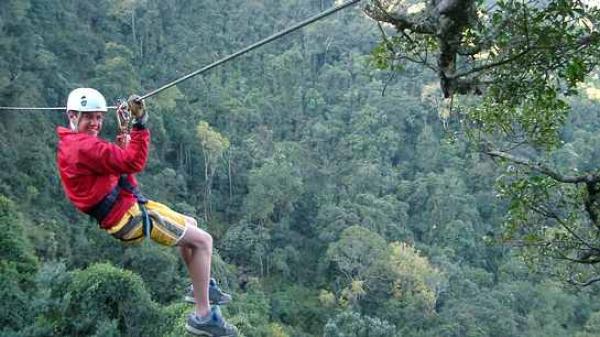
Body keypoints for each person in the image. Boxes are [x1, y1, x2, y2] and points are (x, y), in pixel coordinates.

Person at [56, 88, 237, 337]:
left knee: (191, 224)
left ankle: (200, 289)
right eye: (89, 117)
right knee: (204, 240)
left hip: (127, 209)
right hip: (128, 219)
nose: (96, 123)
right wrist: (140, 124)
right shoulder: (84, 147)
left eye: (99, 117)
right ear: (72, 115)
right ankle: (203, 316)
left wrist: (125, 132)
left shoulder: (73, 144)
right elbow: (133, 163)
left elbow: (121, 165)